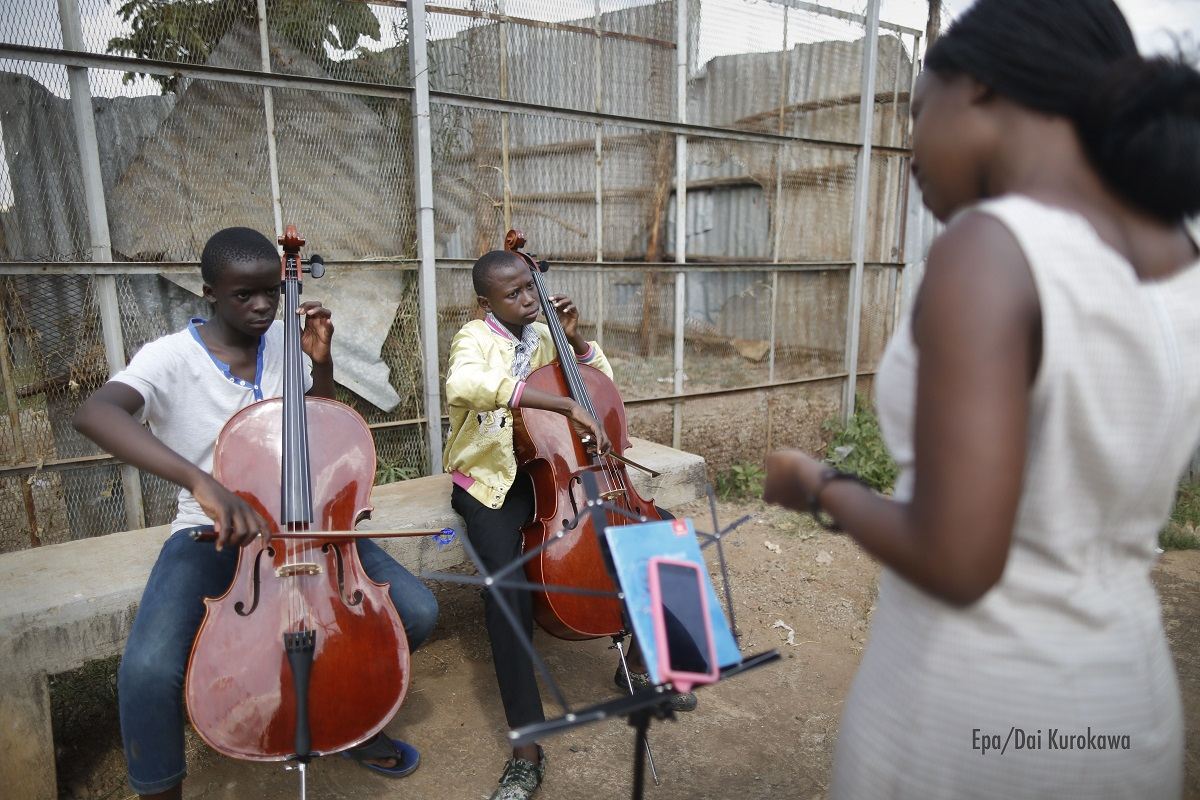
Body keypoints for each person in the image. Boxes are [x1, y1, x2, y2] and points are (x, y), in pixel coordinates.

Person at [762, 2, 1200, 798]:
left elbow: (958, 560)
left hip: (972, 715)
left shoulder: (993, 247)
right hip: (1128, 705)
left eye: (918, 113)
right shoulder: (1178, 252)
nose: (909, 155)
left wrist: (817, 484)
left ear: (984, 87)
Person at [72, 227, 439, 800]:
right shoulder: (169, 358)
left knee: (414, 611)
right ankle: (159, 787)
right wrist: (204, 485)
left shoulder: (283, 348)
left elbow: (320, 435)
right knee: (148, 671)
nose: (264, 305)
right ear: (210, 291)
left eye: (272, 291)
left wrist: (320, 364)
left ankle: (344, 720)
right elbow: (95, 413)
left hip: (308, 528)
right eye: (246, 295)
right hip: (211, 531)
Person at [444, 250, 696, 800]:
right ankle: (526, 747)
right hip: (493, 483)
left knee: (664, 530)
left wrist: (576, 344)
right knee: (504, 584)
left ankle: (646, 664)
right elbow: (462, 385)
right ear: (486, 302)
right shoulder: (474, 337)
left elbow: (599, 389)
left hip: (559, 473)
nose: (529, 301)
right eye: (514, 295)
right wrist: (552, 399)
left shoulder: (543, 334)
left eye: (531, 289)